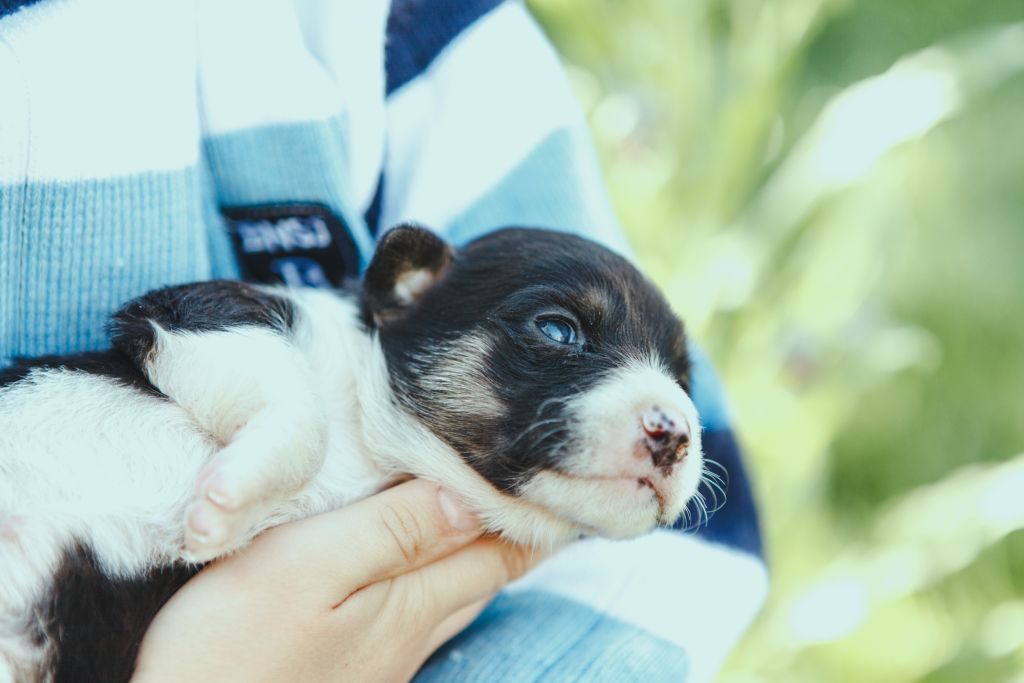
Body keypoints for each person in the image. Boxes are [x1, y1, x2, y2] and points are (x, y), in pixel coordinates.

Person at [0, 1, 766, 680]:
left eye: (678, 381)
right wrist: (284, 427)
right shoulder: (317, 341)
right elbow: (167, 326)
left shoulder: (421, 36)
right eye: (558, 330)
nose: (671, 422)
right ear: (408, 289)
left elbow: (691, 565)